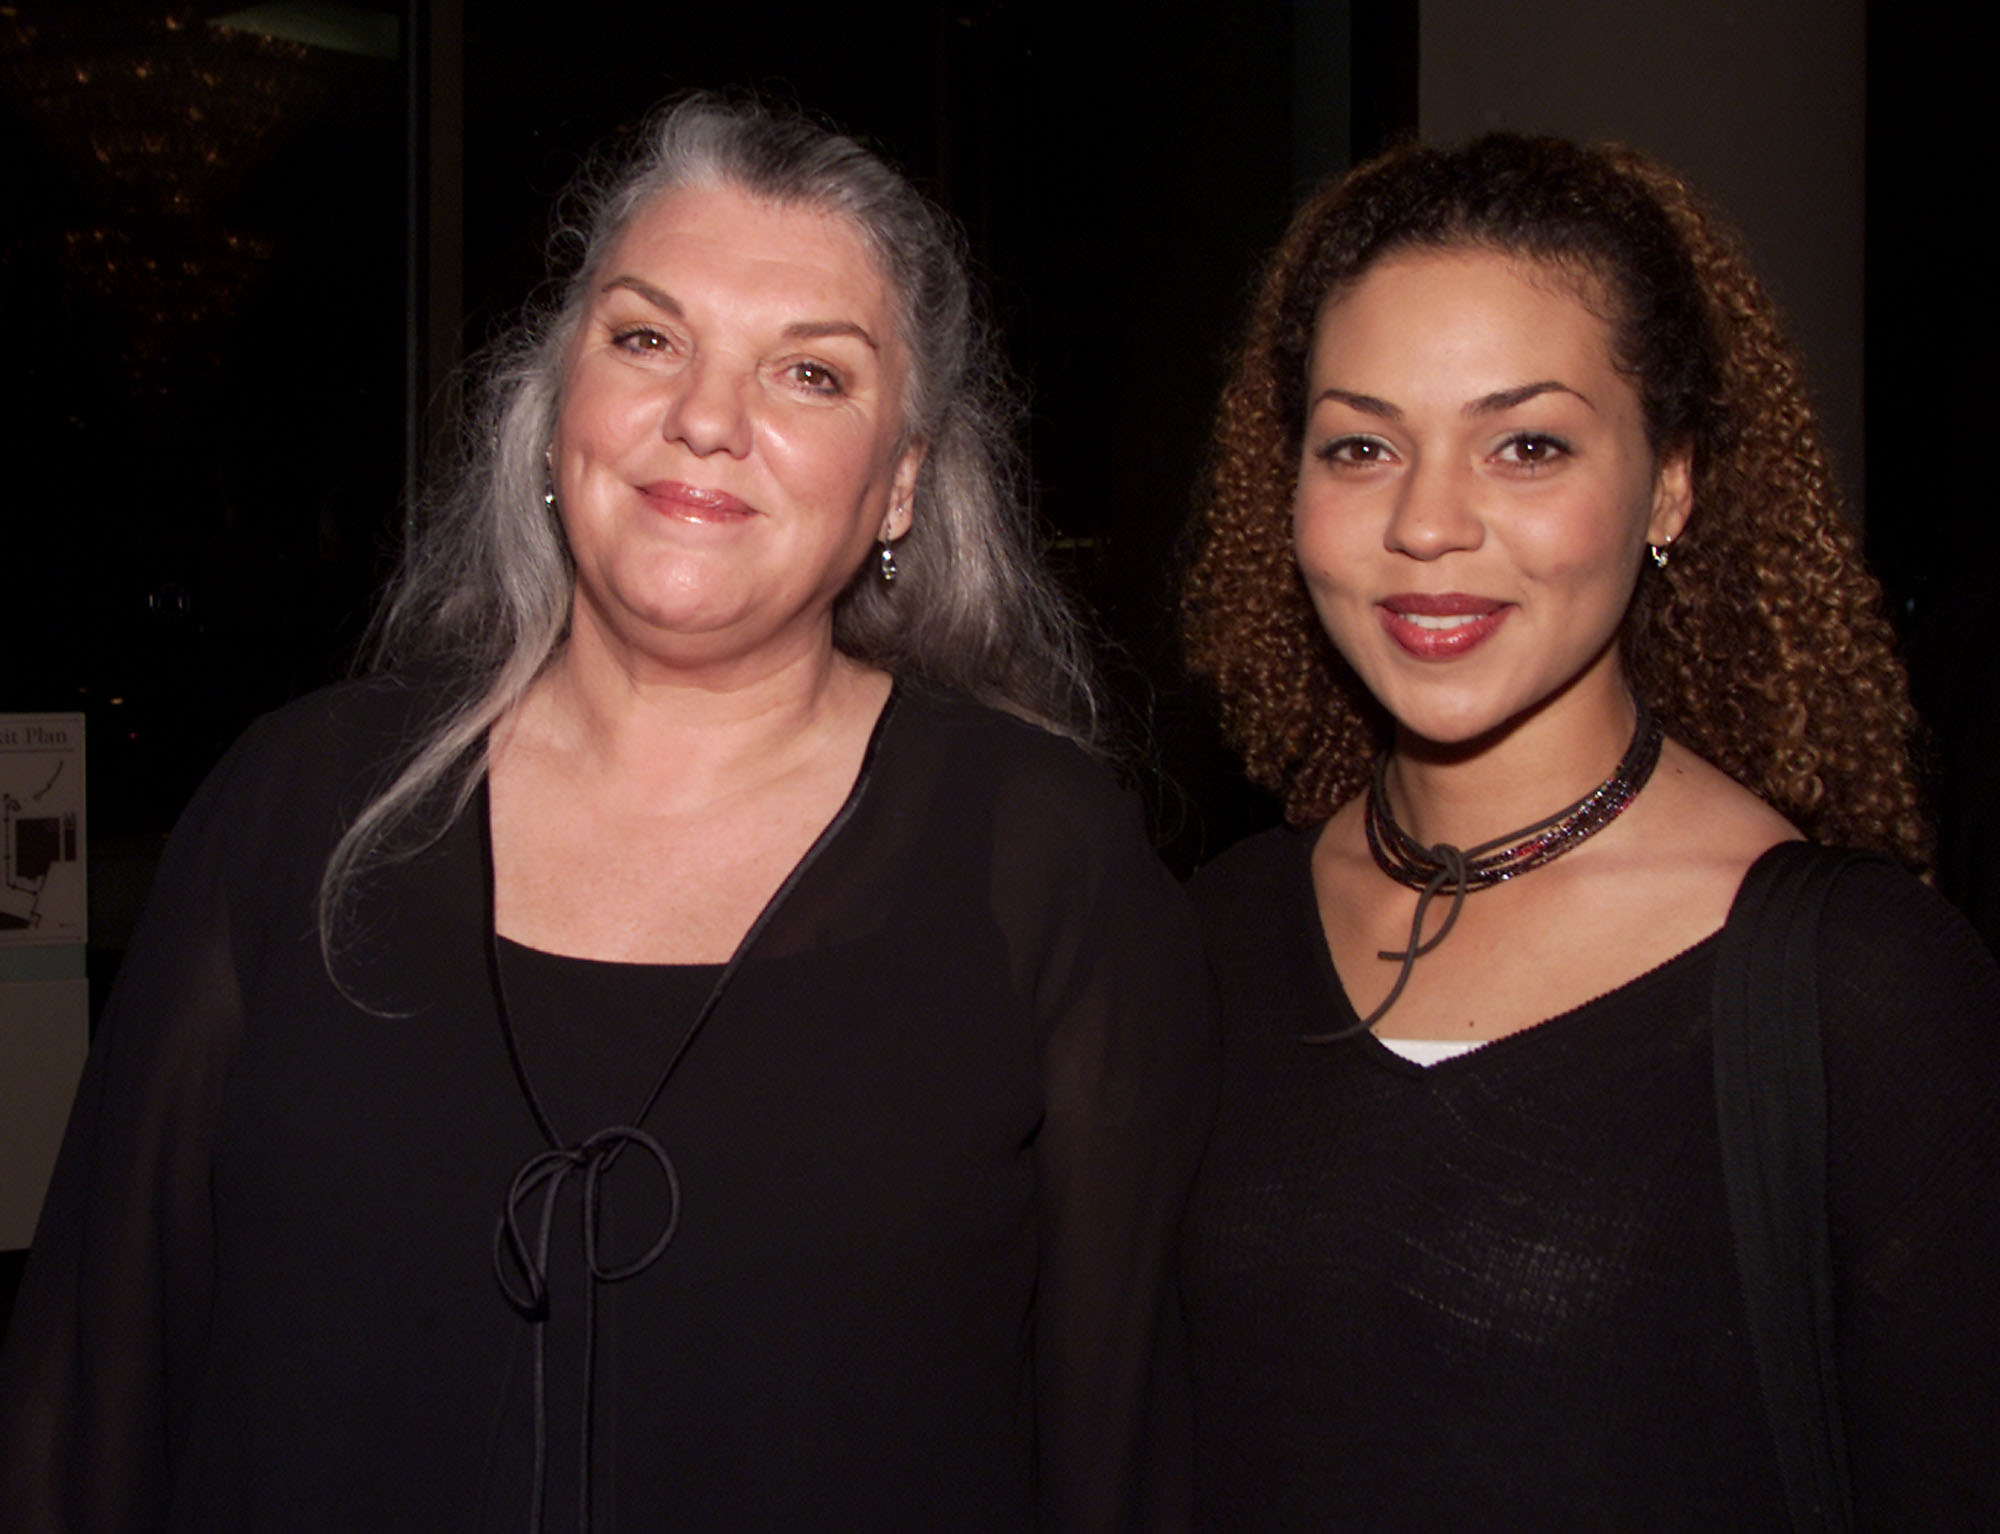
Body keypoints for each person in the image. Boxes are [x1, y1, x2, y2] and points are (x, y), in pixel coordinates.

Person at [0, 95, 1214, 1532]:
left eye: (810, 374)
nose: (705, 417)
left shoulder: (1048, 867)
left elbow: (1123, 1454)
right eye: (646, 338)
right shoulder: (298, 808)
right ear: (552, 402)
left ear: (900, 486)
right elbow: (91, 1396)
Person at [1178, 134, 1998, 1528]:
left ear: (1669, 483)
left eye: (1528, 444)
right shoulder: (1211, 929)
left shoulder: (1858, 989)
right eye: (1363, 444)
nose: (1428, 523)